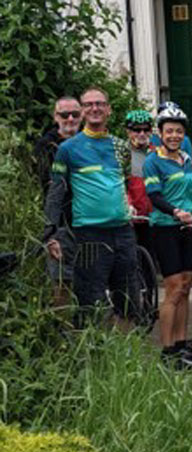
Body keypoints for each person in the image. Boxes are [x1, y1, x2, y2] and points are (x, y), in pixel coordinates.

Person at [43, 87, 138, 326]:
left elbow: (125, 183)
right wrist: (50, 234)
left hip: (123, 232)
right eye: (89, 105)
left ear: (109, 109)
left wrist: (130, 205)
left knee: (128, 301)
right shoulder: (68, 149)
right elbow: (56, 194)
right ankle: (96, 360)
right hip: (89, 235)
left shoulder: (121, 147)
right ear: (83, 111)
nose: (95, 108)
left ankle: (125, 360)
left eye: (100, 104)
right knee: (92, 304)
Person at [143, 107, 192, 367]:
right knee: (174, 288)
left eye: (178, 131)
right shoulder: (152, 161)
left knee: (186, 287)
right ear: (161, 133)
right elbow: (155, 196)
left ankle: (181, 344)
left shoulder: (187, 159)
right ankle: (166, 350)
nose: (174, 135)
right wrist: (176, 212)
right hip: (165, 227)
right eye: (169, 131)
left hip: (188, 228)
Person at [36, 96, 81, 302]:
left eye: (75, 114)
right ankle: (62, 329)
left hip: (89, 221)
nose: (70, 119)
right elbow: (46, 188)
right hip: (62, 222)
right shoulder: (46, 147)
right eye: (65, 115)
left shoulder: (90, 143)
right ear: (56, 117)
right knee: (61, 282)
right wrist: (50, 232)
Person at [125, 110, 155, 256]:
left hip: (154, 216)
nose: (142, 133)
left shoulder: (158, 152)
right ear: (128, 131)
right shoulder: (121, 153)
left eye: (146, 129)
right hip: (132, 217)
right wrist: (128, 204)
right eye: (136, 130)